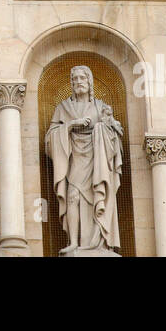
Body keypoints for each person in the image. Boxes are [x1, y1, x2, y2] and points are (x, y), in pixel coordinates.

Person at [44, 65, 123, 254]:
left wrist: (105, 127)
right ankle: (73, 242)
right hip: (73, 158)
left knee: (98, 196)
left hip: (98, 161)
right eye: (75, 79)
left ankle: (99, 242)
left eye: (82, 78)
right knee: (72, 196)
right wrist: (71, 125)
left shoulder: (101, 107)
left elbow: (116, 134)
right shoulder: (63, 108)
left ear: (89, 82)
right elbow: (50, 138)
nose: (78, 82)